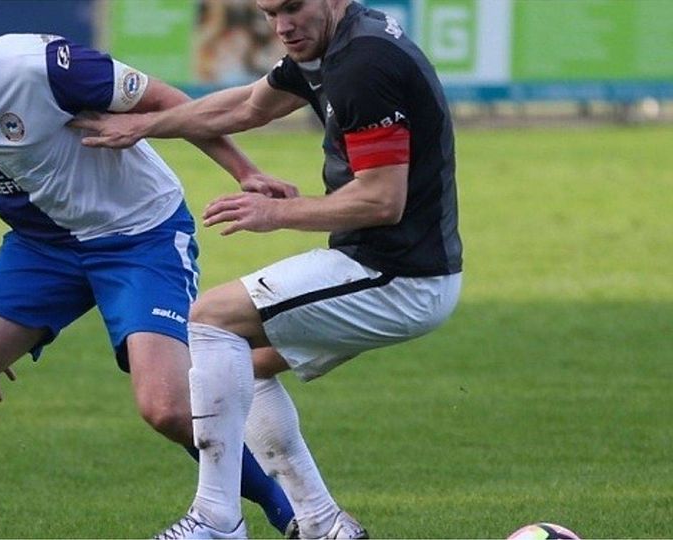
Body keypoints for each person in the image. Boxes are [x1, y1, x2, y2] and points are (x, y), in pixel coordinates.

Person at [0, 0, 299, 537]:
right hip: (44, 248)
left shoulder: (41, 66)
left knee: (168, 410)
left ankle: (289, 512)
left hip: (140, 234)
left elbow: (166, 100)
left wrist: (245, 171)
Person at [72, 0, 463, 538]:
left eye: (293, 8)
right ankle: (325, 524)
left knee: (211, 318)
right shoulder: (334, 43)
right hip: (390, 268)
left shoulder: (363, 64)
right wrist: (144, 125)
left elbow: (381, 201)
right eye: (269, 12)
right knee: (243, 365)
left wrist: (275, 213)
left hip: (398, 275)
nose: (281, 27)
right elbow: (247, 107)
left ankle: (216, 517)